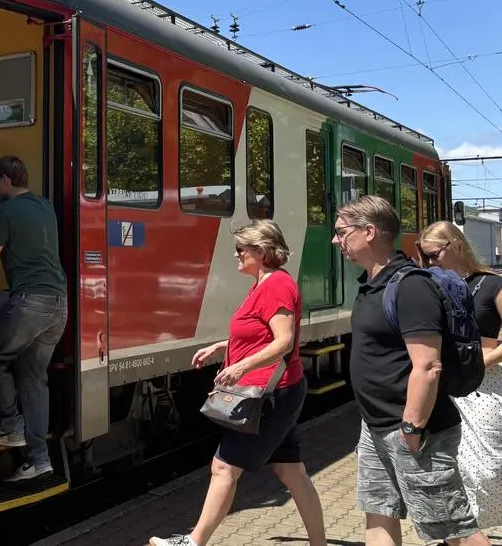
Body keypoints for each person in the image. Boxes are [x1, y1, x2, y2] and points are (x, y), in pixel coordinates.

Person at [150, 220, 327, 546]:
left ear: (260, 252)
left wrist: (239, 366)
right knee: (292, 472)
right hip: (277, 390)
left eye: (240, 249)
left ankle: (193, 542)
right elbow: (258, 334)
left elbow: (283, 341)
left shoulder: (276, 286)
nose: (235, 255)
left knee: (223, 468)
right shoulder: (263, 283)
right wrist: (222, 347)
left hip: (269, 393)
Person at [333, 195, 490, 546]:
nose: (336, 240)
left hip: (415, 429)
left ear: (369, 232)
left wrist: (412, 427)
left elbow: (428, 365)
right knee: (378, 515)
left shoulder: (410, 286)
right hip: (375, 427)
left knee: (454, 531)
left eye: (341, 232)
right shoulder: (371, 285)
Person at [0, 155, 68, 482]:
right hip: (59, 304)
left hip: (30, 301)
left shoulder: (4, 212)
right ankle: (39, 459)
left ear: (4, 180)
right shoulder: (45, 206)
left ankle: (11, 426)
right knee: (34, 378)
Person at [417, 221, 502, 531]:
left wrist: (482, 363)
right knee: (450, 469)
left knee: (486, 469)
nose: (429, 263)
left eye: (433, 255)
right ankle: (459, 534)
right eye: (424, 257)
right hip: (444, 388)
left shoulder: (491, 285)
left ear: (454, 245)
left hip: (484, 389)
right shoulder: (432, 286)